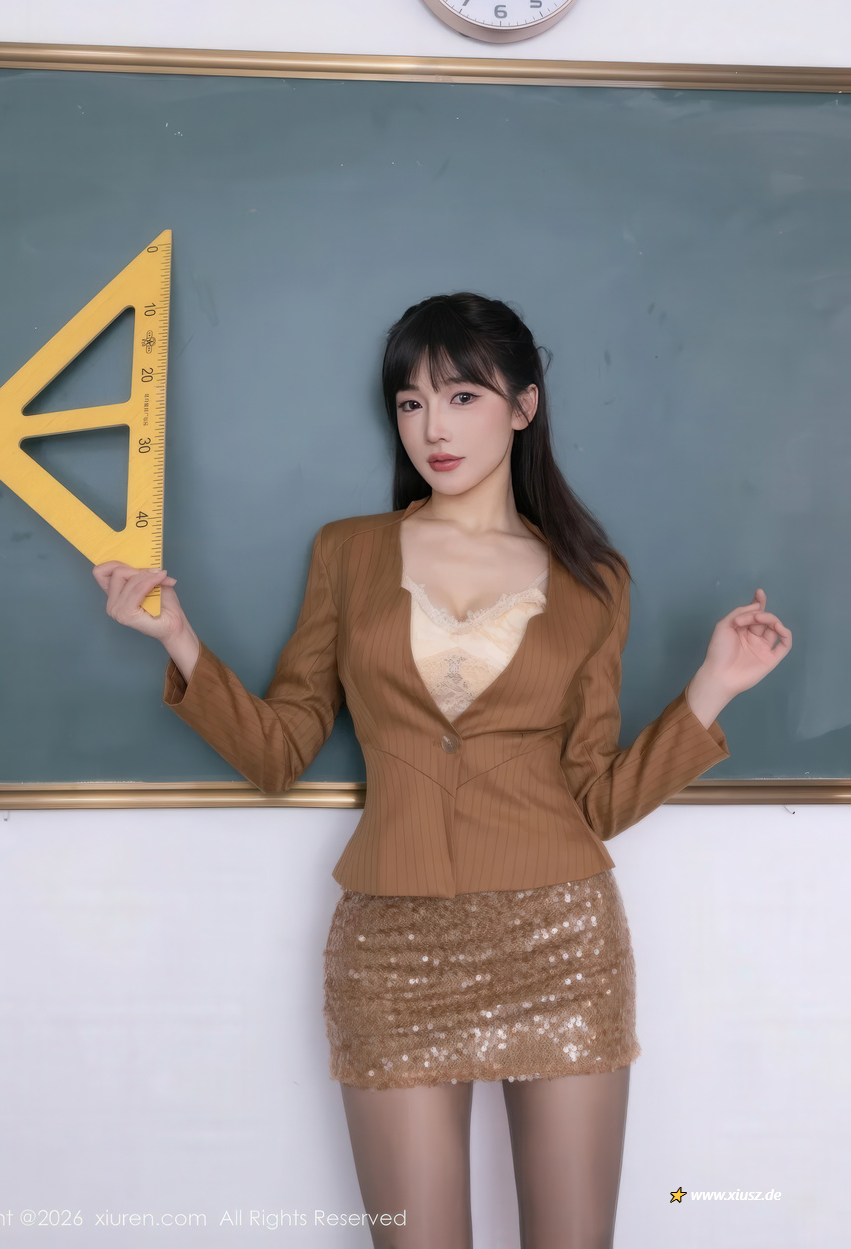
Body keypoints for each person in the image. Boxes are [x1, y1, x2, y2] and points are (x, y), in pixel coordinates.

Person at [94, 293, 791, 1249]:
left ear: (524, 406)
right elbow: (277, 751)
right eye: (411, 403)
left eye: (462, 396)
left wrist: (715, 685)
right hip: (392, 952)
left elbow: (597, 797)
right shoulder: (348, 552)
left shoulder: (594, 580)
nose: (434, 428)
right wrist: (178, 637)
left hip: (561, 943)